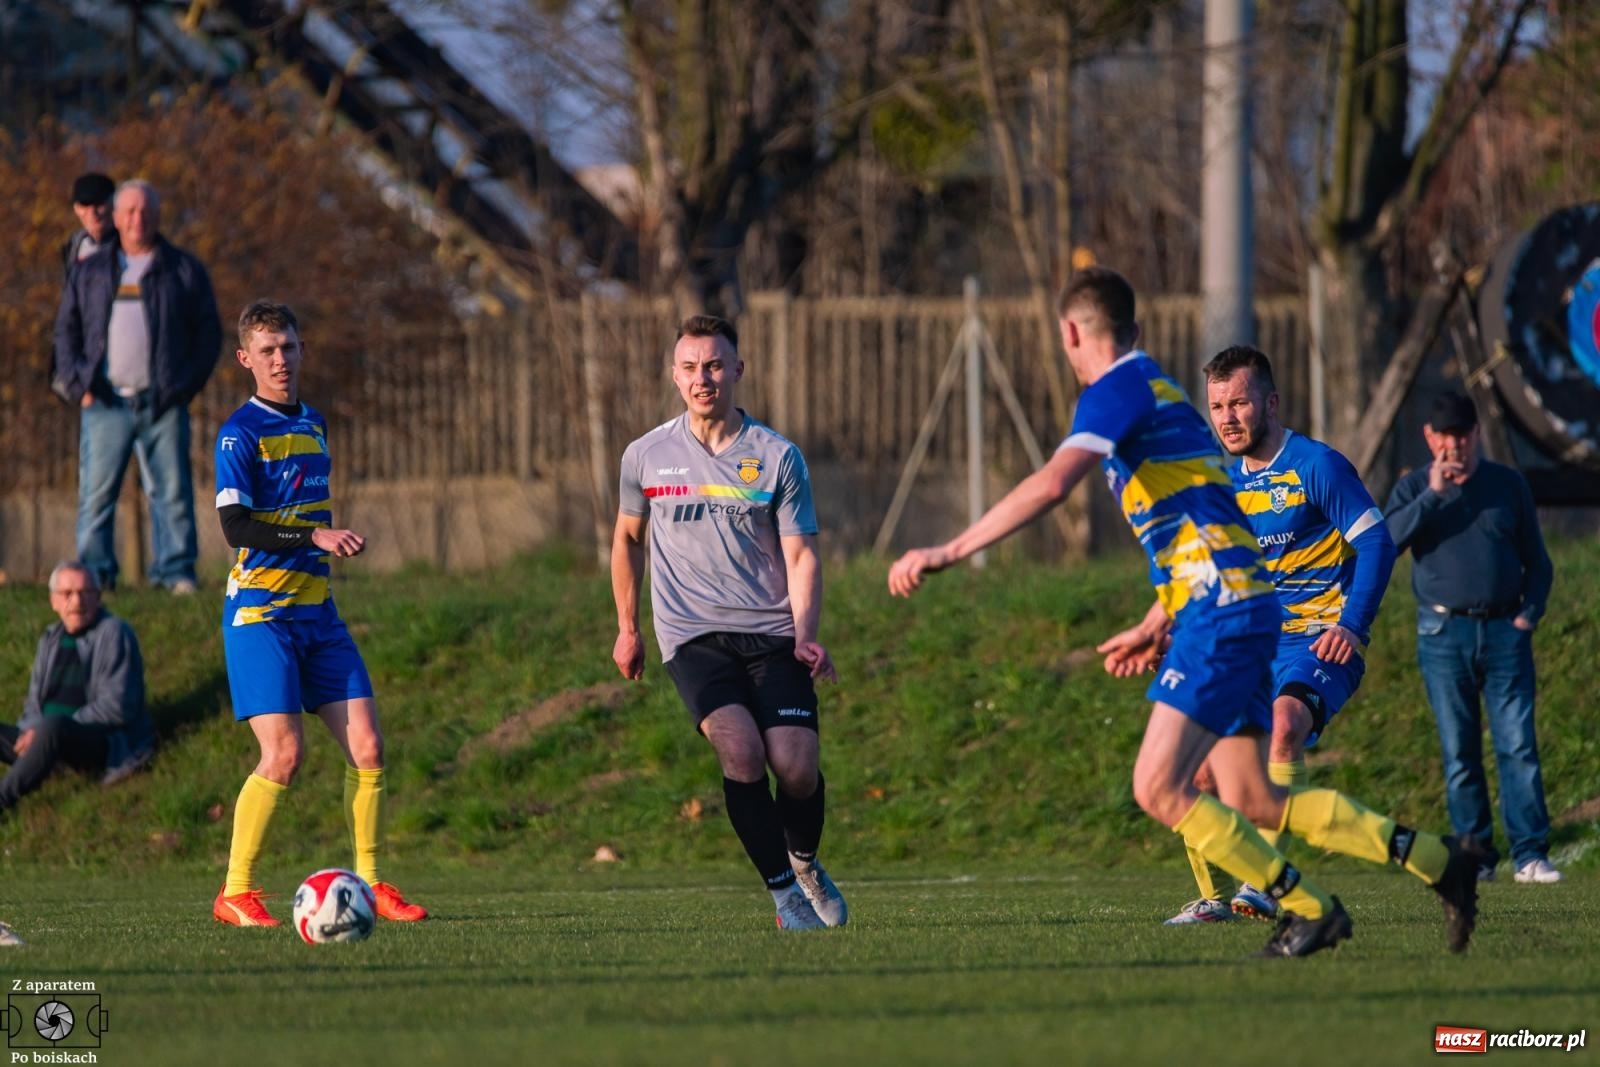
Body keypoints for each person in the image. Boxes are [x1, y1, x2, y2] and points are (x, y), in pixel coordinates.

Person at [889, 267, 1483, 957]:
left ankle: (1309, 907)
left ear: (1070, 333)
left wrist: (948, 549)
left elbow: (1053, 485)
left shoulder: (1116, 391)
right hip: (1238, 609)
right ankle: (1441, 862)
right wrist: (1157, 619)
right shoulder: (1164, 396)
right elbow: (1212, 524)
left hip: (1223, 614)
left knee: (1157, 784)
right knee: (1253, 796)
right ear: (1137, 329)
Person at [611, 314, 847, 931]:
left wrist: (806, 636)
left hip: (771, 634)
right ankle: (786, 900)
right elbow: (627, 541)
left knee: (795, 766)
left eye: (714, 365)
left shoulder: (777, 456)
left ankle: (804, 864)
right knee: (741, 752)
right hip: (691, 636)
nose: (703, 379)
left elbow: (801, 554)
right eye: (690, 367)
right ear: (674, 375)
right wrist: (628, 628)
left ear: (737, 369)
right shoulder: (646, 455)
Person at [1163, 345, 1398, 925]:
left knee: (1285, 725)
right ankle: (1213, 899)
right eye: (1218, 406)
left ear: (1270, 403)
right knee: (1194, 767)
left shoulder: (1317, 465)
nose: (1228, 418)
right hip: (1250, 645)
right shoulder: (1220, 482)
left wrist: (1351, 624)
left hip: (1318, 639)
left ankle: (1264, 882)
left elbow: (1377, 541)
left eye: (1239, 403)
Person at [211, 300, 427, 928]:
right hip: (261, 616)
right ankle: (236, 892)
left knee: (368, 745)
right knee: (283, 754)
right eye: (267, 350)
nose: (280, 360)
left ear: (302, 350)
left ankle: (372, 885)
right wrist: (315, 536)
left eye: (288, 347)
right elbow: (235, 527)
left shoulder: (313, 423)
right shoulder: (239, 433)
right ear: (246, 359)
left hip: (318, 615)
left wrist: (320, 541)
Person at [1384, 392, 1559, 885]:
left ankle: (1530, 854)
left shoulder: (1507, 484)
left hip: (1505, 630)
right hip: (1442, 632)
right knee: (1459, 751)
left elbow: (1538, 562)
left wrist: (1528, 614)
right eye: (1445, 437)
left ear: (1477, 433)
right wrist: (1432, 496)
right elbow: (1386, 542)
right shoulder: (1414, 487)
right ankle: (1476, 855)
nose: (1454, 446)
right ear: (1429, 438)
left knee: (1517, 744)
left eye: (1462, 436)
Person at [52, 179, 222, 594]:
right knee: (96, 496)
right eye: (129, 211)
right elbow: (65, 332)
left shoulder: (183, 269)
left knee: (172, 492)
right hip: (105, 401)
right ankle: (96, 577)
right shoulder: (90, 271)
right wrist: (78, 386)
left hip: (163, 401)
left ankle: (175, 572)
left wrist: (183, 387)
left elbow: (208, 334)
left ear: (158, 216)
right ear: (116, 216)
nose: (137, 219)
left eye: (145, 211)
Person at [1, 561, 157, 812]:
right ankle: (40, 761)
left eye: (85, 592)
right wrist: (34, 732)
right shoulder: (49, 638)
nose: (77, 601)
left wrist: (45, 732)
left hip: (94, 740)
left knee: (55, 726)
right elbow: (34, 703)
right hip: (43, 735)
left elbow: (116, 707)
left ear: (98, 597)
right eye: (67, 594)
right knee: (45, 727)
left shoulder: (114, 633)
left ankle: (4, 798)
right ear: (53, 601)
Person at [62, 173, 117, 277]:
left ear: (113, 204)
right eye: (85, 204)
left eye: (99, 204)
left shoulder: (130, 245)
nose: (92, 212)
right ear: (76, 209)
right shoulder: (73, 247)